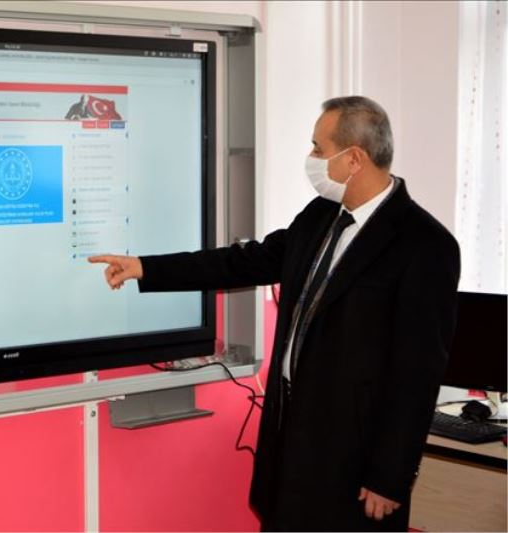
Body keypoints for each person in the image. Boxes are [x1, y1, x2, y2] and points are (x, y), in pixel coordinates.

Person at [89, 96, 460, 532]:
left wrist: (389, 476)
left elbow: (417, 374)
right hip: (291, 440)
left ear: (354, 159)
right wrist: (146, 268)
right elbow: (245, 262)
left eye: (319, 148)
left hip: (355, 461)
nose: (312, 158)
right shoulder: (322, 215)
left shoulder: (425, 245)